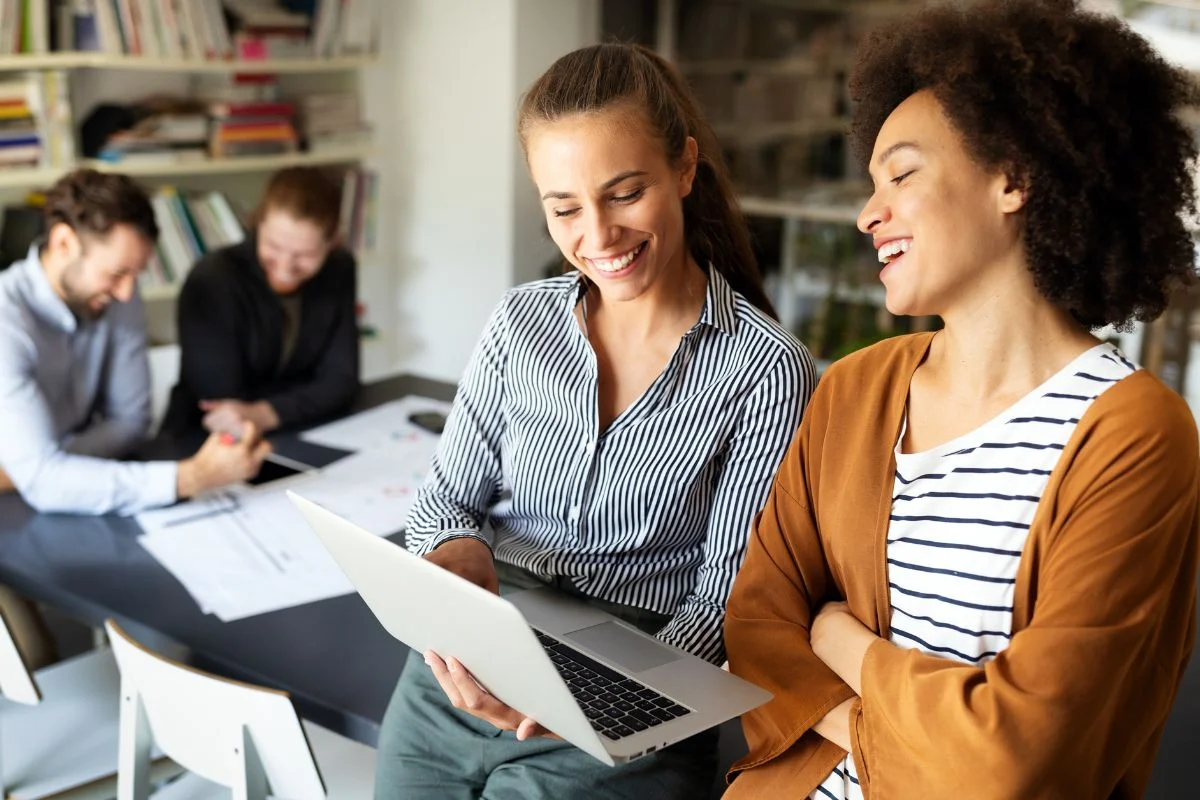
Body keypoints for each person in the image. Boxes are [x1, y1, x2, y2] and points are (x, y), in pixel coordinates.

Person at [722, 1, 1200, 798]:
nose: (867, 214)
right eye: (870, 186)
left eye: (902, 175)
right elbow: (759, 630)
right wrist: (909, 732)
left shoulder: (1133, 433)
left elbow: (1017, 756)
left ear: (1013, 176)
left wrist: (840, 639)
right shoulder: (853, 389)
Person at [373, 43, 817, 799]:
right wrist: (454, 562)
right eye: (565, 207)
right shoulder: (520, 322)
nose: (599, 236)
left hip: (633, 683)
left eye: (624, 192)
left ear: (683, 167)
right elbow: (447, 500)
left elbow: (726, 603)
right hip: (473, 662)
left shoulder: (766, 368)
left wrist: (606, 703)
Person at [0, 169, 269, 663]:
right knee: (35, 655)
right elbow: (43, 479)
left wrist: (37, 465)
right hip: (14, 527)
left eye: (135, 275)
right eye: (116, 273)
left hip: (40, 496)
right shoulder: (5, 322)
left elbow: (129, 422)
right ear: (64, 242)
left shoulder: (117, 298)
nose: (128, 293)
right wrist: (192, 476)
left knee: (175, 609)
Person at [161, 166, 359, 438]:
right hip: (204, 440)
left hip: (299, 431)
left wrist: (265, 412)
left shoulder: (339, 269)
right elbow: (223, 406)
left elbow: (342, 381)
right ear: (255, 223)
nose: (285, 268)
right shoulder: (214, 279)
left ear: (332, 241)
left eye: (305, 255)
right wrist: (307, 394)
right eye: (274, 247)